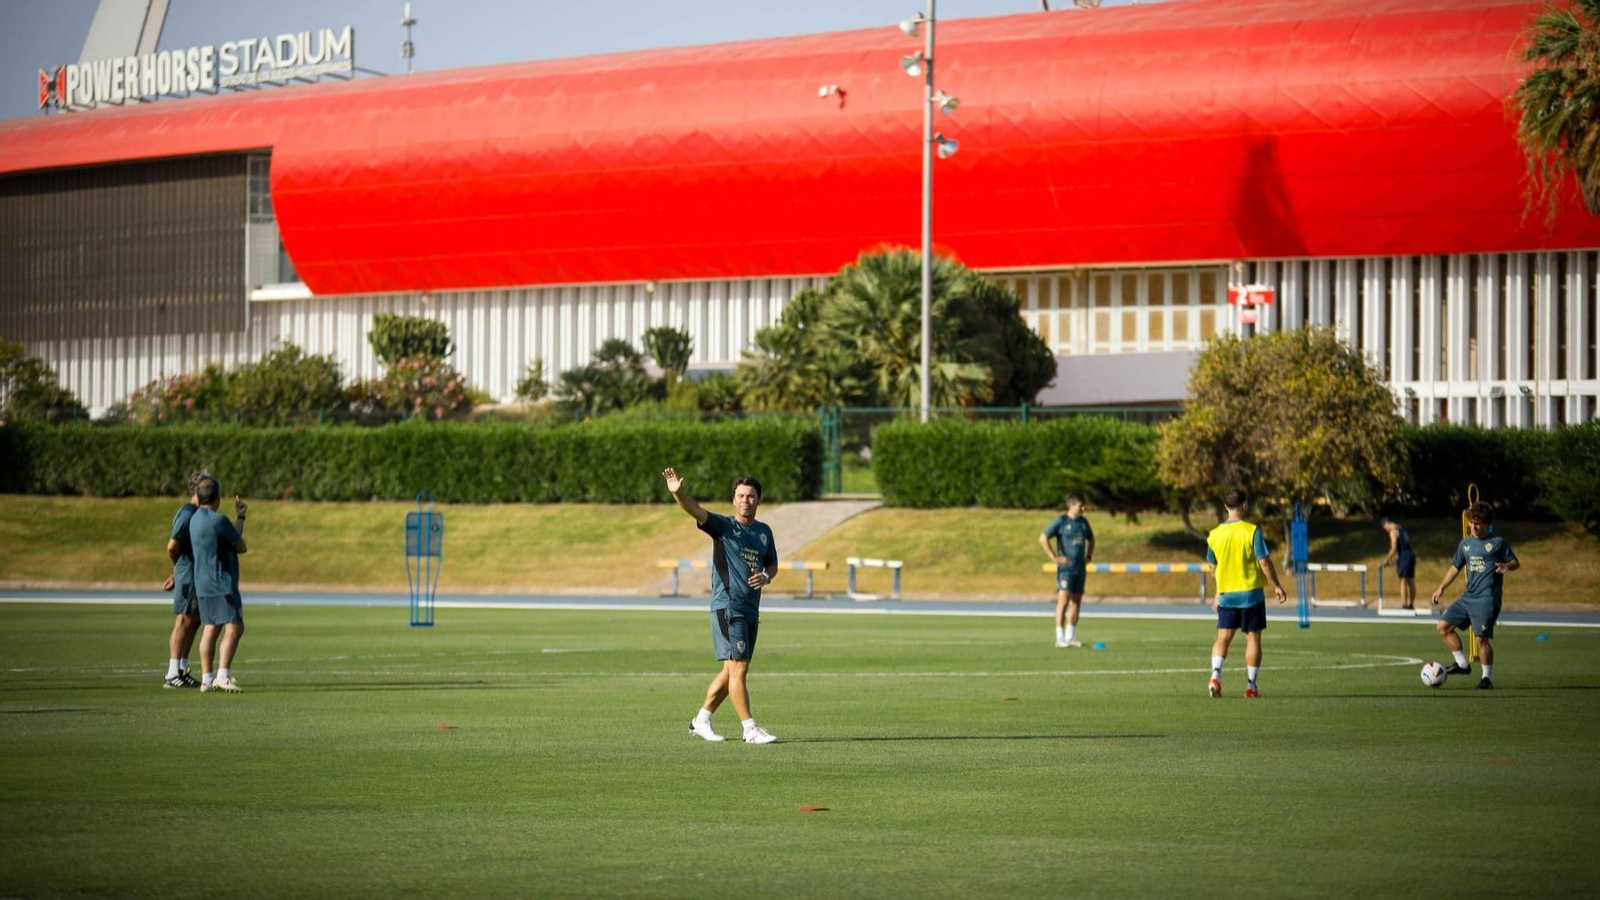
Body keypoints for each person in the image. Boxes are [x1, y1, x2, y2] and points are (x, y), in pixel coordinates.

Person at [663, 467, 779, 744]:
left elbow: (772, 564)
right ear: (733, 499)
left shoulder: (764, 532)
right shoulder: (724, 527)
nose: (745, 500)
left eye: (750, 496)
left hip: (751, 609)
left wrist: (766, 576)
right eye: (740, 496)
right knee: (737, 669)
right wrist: (678, 494)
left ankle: (700, 720)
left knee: (732, 671)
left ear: (758, 500)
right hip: (728, 606)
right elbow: (696, 511)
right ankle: (750, 728)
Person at [1204, 488, 1288, 698]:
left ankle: (1215, 676)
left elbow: (1212, 566)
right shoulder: (1252, 531)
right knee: (1253, 638)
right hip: (1251, 594)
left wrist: (1218, 592)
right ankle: (1251, 686)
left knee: (1223, 638)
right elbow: (1264, 562)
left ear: (1225, 507)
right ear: (1245, 506)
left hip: (1227, 595)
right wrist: (1276, 585)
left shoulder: (1214, 535)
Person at [1429, 502, 1517, 690]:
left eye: (1478, 523)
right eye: (1471, 523)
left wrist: (1506, 566)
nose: (1474, 527)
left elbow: (1515, 562)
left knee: (1480, 639)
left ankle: (1487, 679)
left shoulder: (1498, 543)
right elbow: (1455, 568)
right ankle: (1462, 665)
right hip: (1468, 597)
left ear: (1487, 524)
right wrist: (1441, 588)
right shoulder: (1465, 544)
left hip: (1487, 599)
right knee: (1443, 627)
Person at [189, 476, 249, 693]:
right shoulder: (218, 520)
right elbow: (240, 546)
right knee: (235, 626)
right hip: (221, 582)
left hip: (202, 582)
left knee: (210, 628)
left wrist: (240, 516)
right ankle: (223, 675)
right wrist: (240, 518)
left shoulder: (195, 519)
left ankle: (206, 679)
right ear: (218, 497)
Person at [160, 471, 206, 688]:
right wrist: (177, 571)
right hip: (187, 573)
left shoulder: (198, 513)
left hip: (195, 574)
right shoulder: (187, 513)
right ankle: (172, 673)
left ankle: (182, 669)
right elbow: (172, 546)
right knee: (184, 620)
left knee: (194, 620)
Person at [1039, 492, 1095, 648]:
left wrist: (1089, 556)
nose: (1083, 509)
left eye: (1084, 506)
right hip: (1065, 570)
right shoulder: (1061, 521)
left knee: (1076, 601)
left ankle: (1070, 636)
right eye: (1080, 506)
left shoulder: (1084, 523)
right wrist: (1054, 557)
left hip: (1080, 569)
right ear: (1071, 505)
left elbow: (1091, 539)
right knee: (1063, 600)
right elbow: (1043, 538)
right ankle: (1059, 637)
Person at [1378, 516, 1417, 610]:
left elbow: (1394, 548)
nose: (1386, 531)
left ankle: (1404, 604)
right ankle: (1411, 604)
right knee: (1410, 580)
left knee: (1403, 581)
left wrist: (1386, 561)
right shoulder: (1402, 529)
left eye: (1385, 528)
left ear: (1386, 525)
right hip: (1411, 556)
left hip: (1403, 557)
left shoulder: (1393, 532)